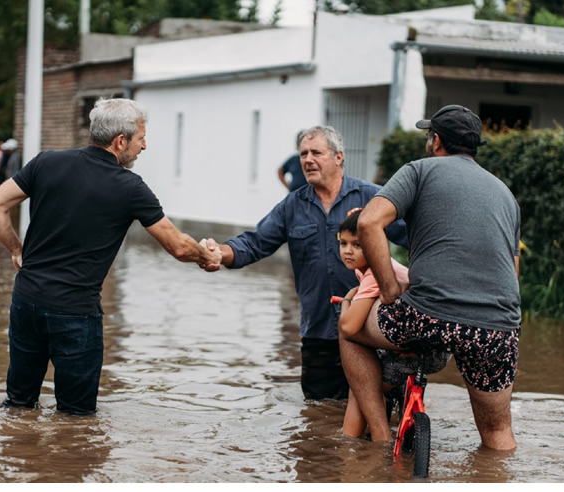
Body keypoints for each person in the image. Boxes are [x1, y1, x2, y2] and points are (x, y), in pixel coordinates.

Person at [0, 98, 222, 415]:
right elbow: (177, 246)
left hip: (26, 301)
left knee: (17, 406)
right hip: (75, 312)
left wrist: (17, 250)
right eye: (140, 139)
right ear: (120, 141)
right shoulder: (130, 188)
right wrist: (204, 255)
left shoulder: (46, 162)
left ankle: (16, 458)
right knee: (77, 421)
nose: (144, 146)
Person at [342, 105, 521, 450]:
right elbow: (511, 274)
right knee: (498, 434)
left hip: (427, 315)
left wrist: (391, 288)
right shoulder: (506, 195)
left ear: (435, 140)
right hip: (498, 327)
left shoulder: (419, 171)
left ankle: (378, 436)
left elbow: (367, 223)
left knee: (348, 323)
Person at [201, 125, 407, 401]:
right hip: (319, 331)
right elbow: (254, 243)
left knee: (381, 410)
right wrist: (220, 252)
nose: (307, 159)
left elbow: (412, 236)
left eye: (316, 153)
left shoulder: (372, 198)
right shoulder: (292, 206)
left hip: (371, 328)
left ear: (338, 157)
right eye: (303, 154)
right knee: (318, 415)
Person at [336, 208, 450, 437]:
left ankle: (362, 443)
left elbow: (349, 326)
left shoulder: (375, 273)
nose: (348, 251)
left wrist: (348, 298)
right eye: (343, 243)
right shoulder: (371, 270)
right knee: (362, 381)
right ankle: (354, 438)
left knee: (362, 386)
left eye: (358, 245)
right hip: (433, 341)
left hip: (428, 349)